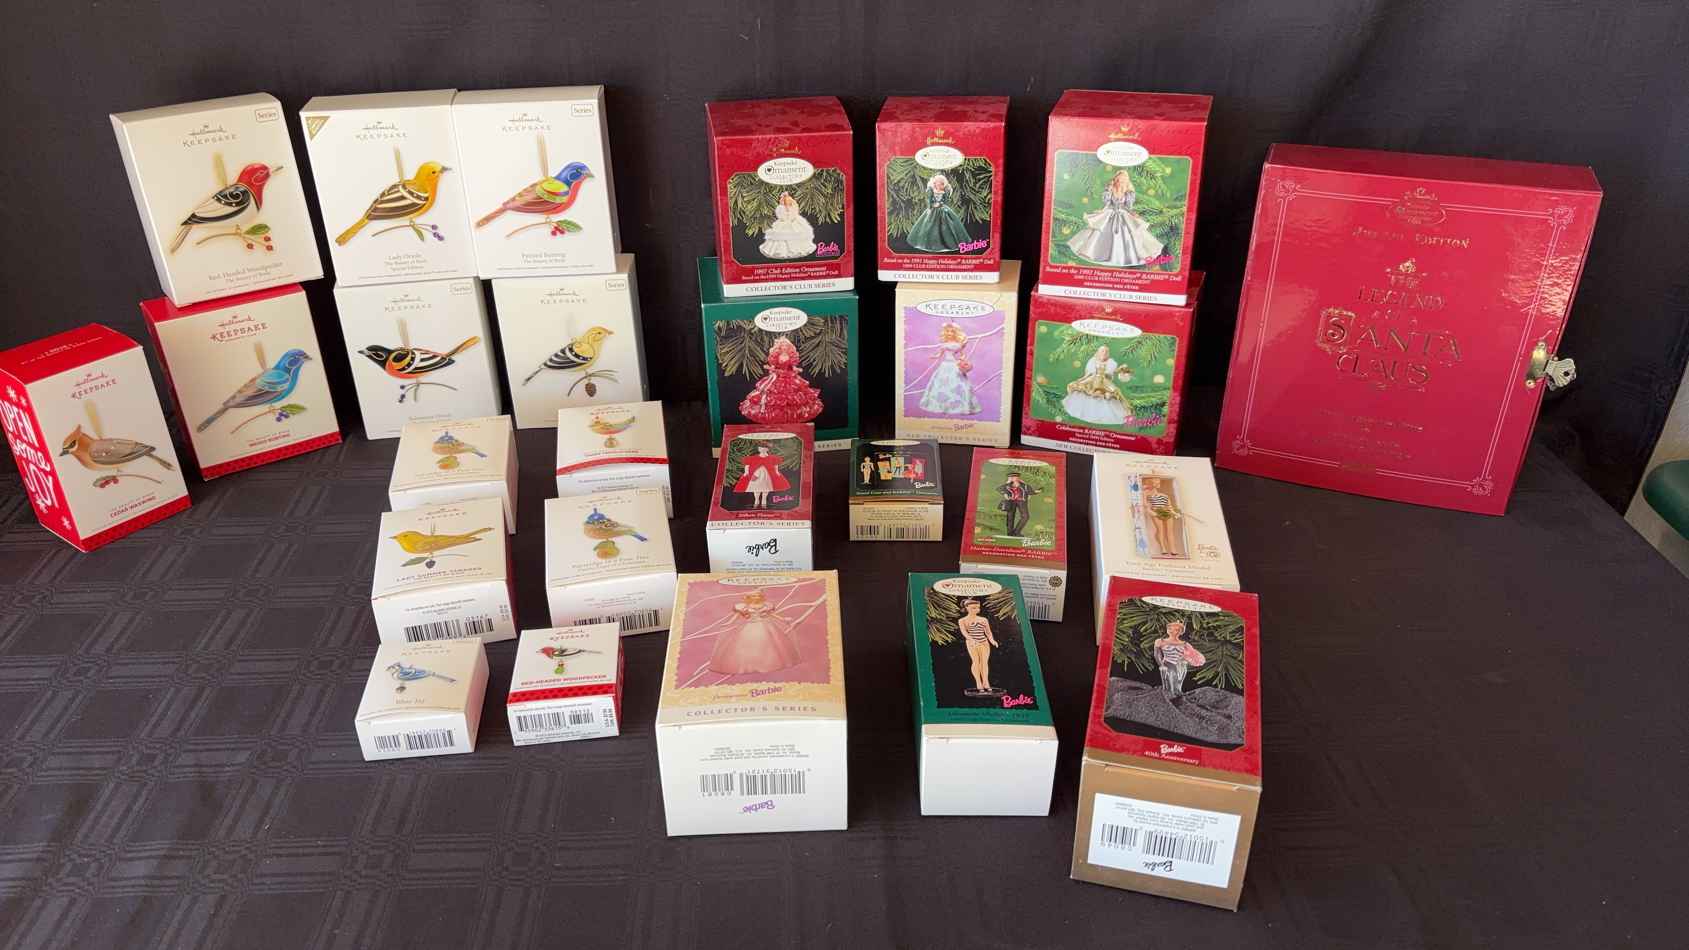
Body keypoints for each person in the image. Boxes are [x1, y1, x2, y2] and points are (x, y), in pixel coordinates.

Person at [1067, 169, 1164, 267]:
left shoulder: (1128, 193)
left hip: (1123, 214)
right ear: (1115, 180)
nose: (1120, 182)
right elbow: (1107, 203)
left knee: (1130, 232)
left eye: (1122, 181)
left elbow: (1128, 207)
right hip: (1111, 213)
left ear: (1126, 182)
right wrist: (1103, 209)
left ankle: (1127, 256)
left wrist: (1133, 214)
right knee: (1100, 230)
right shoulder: (1111, 189)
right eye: (1118, 180)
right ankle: (1098, 252)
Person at [708, 589, 802, 675]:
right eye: (754, 596)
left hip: (766, 625)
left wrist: (783, 619)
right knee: (746, 645)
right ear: (749, 597)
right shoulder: (744, 607)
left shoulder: (766, 605)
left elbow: (772, 614)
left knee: (769, 644)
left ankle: (767, 663)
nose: (756, 597)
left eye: (758, 596)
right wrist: (728, 623)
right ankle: (748, 666)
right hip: (749, 626)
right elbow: (735, 617)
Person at [918, 321, 982, 415]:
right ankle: (942, 405)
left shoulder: (958, 345)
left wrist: (962, 360)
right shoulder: (944, 344)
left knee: (958, 383)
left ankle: (959, 405)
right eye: (947, 331)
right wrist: (934, 356)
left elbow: (962, 354)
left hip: (954, 365)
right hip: (945, 365)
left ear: (955, 333)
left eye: (951, 332)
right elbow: (940, 354)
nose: (949, 333)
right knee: (941, 383)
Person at [1062, 344, 1133, 426]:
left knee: (1116, 391)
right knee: (1081, 387)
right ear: (1098, 352)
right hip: (1093, 379)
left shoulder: (1111, 362)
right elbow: (1088, 374)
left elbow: (1111, 375)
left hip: (1104, 381)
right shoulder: (1093, 361)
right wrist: (1081, 380)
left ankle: (1127, 410)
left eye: (1106, 351)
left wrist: (1121, 370)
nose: (1104, 353)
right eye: (1102, 351)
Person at [905, 173, 971, 253]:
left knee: (947, 224)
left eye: (941, 183)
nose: (939, 185)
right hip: (933, 210)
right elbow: (929, 200)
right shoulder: (932, 191)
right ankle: (929, 243)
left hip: (943, 209)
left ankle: (948, 241)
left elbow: (946, 201)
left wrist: (942, 205)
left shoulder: (944, 191)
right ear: (934, 183)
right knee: (928, 225)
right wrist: (932, 206)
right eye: (937, 183)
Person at [957, 599, 1002, 696]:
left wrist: (992, 640)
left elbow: (988, 632)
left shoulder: (983, 619)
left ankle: (986, 682)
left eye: (978, 608)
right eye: (973, 608)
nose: (977, 610)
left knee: (984, 662)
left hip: (984, 642)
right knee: (976, 662)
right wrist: (972, 640)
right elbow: (964, 632)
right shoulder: (962, 620)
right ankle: (978, 682)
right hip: (972, 643)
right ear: (967, 608)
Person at [1153, 619, 1206, 699]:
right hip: (1168, 663)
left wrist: (1186, 659)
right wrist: (1161, 665)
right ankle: (1169, 696)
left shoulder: (1184, 644)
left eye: (1177, 630)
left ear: (1181, 632)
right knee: (1170, 681)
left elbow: (1192, 654)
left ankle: (1178, 696)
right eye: (1170, 629)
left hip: (1180, 665)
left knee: (1179, 682)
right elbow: (1157, 654)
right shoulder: (1160, 641)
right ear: (1167, 630)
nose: (1172, 631)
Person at [732, 442, 791, 509]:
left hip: (767, 475)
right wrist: (746, 472)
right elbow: (747, 465)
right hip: (756, 475)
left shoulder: (772, 458)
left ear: (767, 449)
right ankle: (756, 500)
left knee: (766, 487)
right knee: (756, 488)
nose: (762, 449)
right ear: (758, 449)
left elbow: (775, 465)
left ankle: (764, 500)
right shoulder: (753, 458)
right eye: (760, 448)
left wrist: (776, 471)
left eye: (764, 448)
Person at [759, 192, 816, 259]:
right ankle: (782, 251)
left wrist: (789, 215)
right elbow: (781, 215)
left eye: (788, 201)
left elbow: (792, 213)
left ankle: (794, 250)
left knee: (793, 234)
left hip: (791, 222)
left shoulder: (792, 206)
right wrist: (784, 210)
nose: (786, 202)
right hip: (784, 222)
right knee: (781, 236)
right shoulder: (782, 207)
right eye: (785, 201)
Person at [1140, 476, 1183, 557]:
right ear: (1151, 483)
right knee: (1160, 530)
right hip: (1157, 512)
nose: (1158, 484)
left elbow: (1169, 506)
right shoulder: (1145, 493)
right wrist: (1153, 513)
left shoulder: (1164, 495)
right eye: (1156, 482)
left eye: (1158, 482)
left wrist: (1174, 513)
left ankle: (1173, 549)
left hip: (1167, 512)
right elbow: (1146, 506)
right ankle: (1163, 548)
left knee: (1170, 531)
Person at [997, 471, 1040, 537]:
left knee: (1025, 516)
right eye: (1010, 477)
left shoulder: (1024, 485)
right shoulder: (1007, 485)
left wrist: (1037, 491)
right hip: (1011, 502)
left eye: (1014, 477)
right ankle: (1010, 533)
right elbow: (999, 489)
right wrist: (1007, 484)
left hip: (1021, 501)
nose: (1012, 478)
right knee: (1010, 517)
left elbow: (1031, 492)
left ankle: (1016, 532)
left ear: (1018, 478)